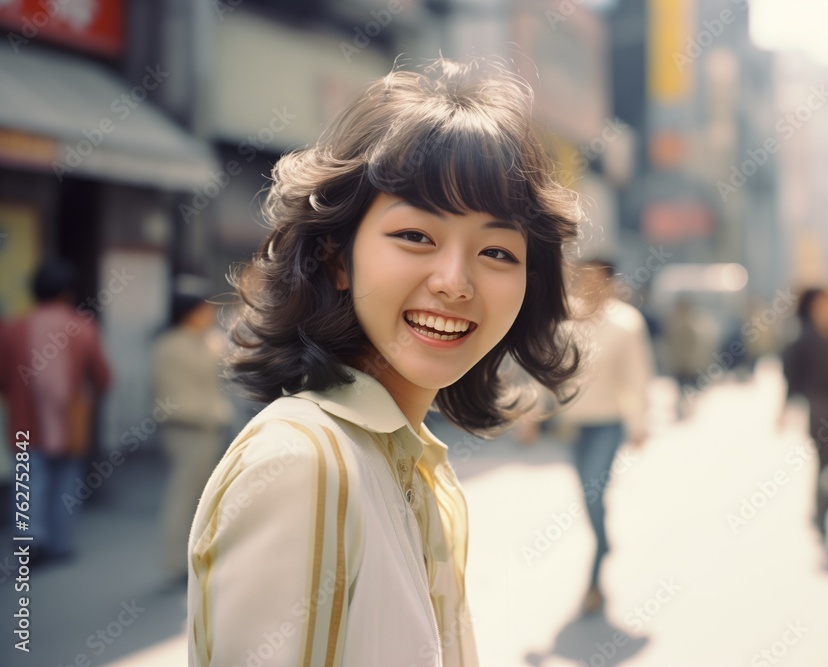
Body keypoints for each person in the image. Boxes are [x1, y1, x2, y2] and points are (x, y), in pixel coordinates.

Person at [187, 58, 582, 666]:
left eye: (497, 250)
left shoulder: (416, 467)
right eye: (416, 237)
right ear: (336, 258)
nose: (455, 283)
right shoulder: (304, 463)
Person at [557, 258, 655, 614]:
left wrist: (640, 423)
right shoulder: (566, 320)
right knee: (587, 495)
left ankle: (596, 573)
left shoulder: (626, 323)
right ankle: (603, 541)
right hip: (574, 426)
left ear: (611, 283)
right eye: (583, 279)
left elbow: (639, 375)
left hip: (607, 425)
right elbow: (549, 369)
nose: (588, 286)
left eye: (596, 280)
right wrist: (532, 415)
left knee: (594, 493)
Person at [0, 258, 111, 563]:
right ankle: (59, 545)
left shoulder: (14, 328)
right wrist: (87, 400)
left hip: (25, 421)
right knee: (65, 485)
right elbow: (102, 377)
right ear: (67, 293)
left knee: (28, 480)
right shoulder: (82, 327)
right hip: (69, 422)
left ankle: (29, 541)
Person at [151, 276, 233, 584]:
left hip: (201, 426)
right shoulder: (177, 345)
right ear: (190, 311)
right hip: (187, 427)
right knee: (186, 495)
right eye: (205, 308)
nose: (210, 314)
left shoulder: (193, 341)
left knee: (198, 496)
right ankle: (176, 562)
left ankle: (191, 560)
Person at [780, 287, 828, 544]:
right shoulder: (804, 339)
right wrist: (783, 410)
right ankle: (820, 512)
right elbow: (790, 377)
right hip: (817, 412)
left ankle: (819, 513)